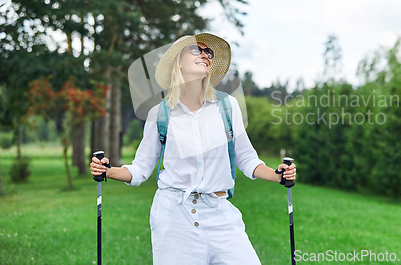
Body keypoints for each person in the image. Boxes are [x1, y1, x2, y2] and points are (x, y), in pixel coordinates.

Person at [90, 33, 296, 265]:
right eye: (197, 50)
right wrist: (107, 171)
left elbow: (246, 157)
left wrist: (278, 175)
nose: (206, 56)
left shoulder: (228, 107)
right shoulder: (160, 114)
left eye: (209, 53)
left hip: (219, 213)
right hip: (173, 217)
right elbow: (140, 168)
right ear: (178, 62)